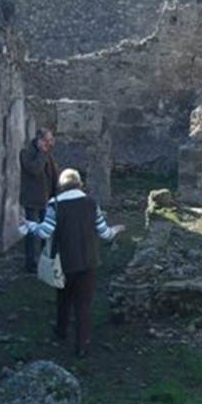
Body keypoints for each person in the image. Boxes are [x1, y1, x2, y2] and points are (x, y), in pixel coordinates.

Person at [21, 168, 125, 357]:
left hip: (65, 261)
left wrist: (29, 225)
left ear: (61, 186)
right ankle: (81, 346)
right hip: (89, 261)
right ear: (79, 184)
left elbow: (44, 232)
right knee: (83, 305)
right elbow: (104, 233)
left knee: (63, 296)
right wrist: (115, 230)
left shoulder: (55, 204)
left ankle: (61, 330)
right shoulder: (91, 203)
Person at [19, 128, 59, 273]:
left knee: (46, 232)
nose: (50, 143)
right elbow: (34, 169)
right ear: (39, 140)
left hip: (46, 199)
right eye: (47, 140)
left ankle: (45, 260)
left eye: (51, 140)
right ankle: (30, 263)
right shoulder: (26, 153)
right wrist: (42, 153)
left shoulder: (47, 153)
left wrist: (55, 194)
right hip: (32, 199)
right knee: (31, 233)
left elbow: (53, 173)